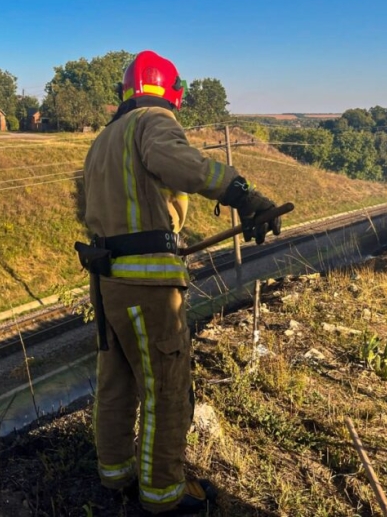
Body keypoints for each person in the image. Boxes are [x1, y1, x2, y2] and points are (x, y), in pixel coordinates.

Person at [77, 50, 281, 514]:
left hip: (108, 282)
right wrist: (243, 195)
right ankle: (163, 495)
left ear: (125, 91)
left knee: (116, 381)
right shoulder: (153, 120)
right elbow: (180, 163)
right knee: (165, 390)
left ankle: (115, 473)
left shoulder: (104, 139)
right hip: (148, 287)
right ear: (173, 93)